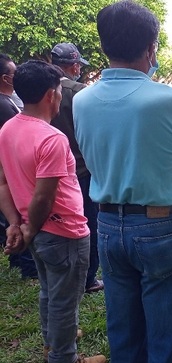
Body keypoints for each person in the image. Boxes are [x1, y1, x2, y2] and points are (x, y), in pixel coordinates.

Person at [73, 2, 172, 362]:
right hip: (161, 227)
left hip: (106, 224)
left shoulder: (81, 100)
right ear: (151, 47)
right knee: (169, 336)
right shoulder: (167, 98)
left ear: (105, 46)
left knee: (124, 330)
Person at [0, 60, 105, 363]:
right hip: (62, 232)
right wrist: (28, 227)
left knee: (50, 291)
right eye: (60, 90)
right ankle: (64, 356)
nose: (61, 96)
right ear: (50, 95)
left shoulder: (8, 129)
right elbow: (44, 196)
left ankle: (55, 340)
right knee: (64, 300)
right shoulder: (51, 139)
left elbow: (3, 183)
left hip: (35, 231)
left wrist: (15, 225)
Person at [49, 43, 104, 294]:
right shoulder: (79, 92)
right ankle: (88, 278)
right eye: (78, 65)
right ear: (73, 65)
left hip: (47, 170)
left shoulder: (41, 87)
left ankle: (59, 269)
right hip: (81, 170)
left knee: (56, 221)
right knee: (88, 222)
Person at [0, 53, 38, 279]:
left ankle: (16, 257)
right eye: (15, 73)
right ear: (6, 78)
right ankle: (26, 263)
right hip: (10, 169)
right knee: (18, 215)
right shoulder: (6, 106)